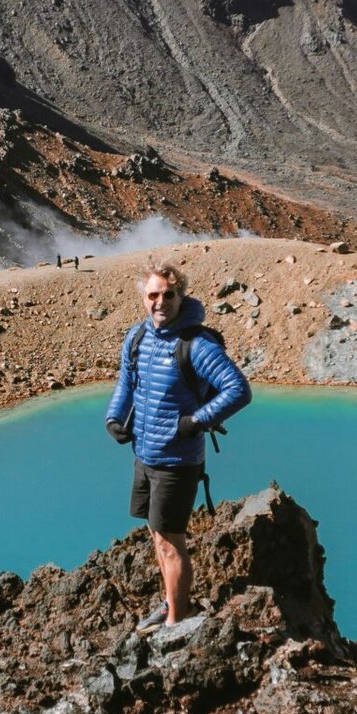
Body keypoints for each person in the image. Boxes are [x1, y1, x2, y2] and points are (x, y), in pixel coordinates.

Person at [106, 260, 251, 631]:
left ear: (181, 296)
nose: (160, 302)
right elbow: (127, 383)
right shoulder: (137, 337)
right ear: (144, 298)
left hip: (177, 461)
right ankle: (171, 602)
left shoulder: (197, 344)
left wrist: (195, 421)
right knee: (157, 534)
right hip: (145, 454)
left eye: (168, 294)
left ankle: (175, 623)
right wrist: (113, 418)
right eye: (153, 295)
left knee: (171, 541)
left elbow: (239, 390)